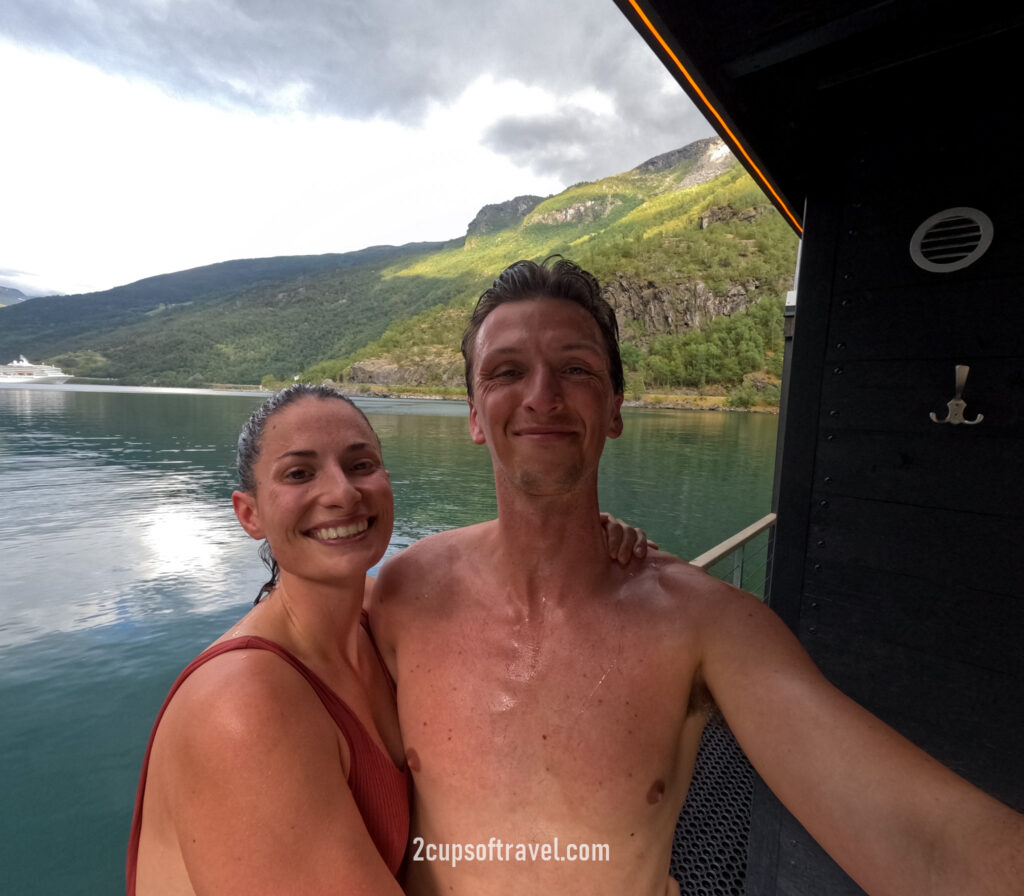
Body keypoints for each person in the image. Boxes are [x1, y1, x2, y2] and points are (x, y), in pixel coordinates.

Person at [368, 257, 1024, 896]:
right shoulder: (399, 597)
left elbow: (925, 844)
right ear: (476, 415)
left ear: (616, 408)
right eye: (507, 371)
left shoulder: (702, 625)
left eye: (575, 369)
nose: (542, 396)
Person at [126, 383, 650, 895]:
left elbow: (491, 578)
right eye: (299, 473)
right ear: (250, 514)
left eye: (360, 465)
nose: (342, 492)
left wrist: (583, 539)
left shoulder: (381, 618)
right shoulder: (241, 709)